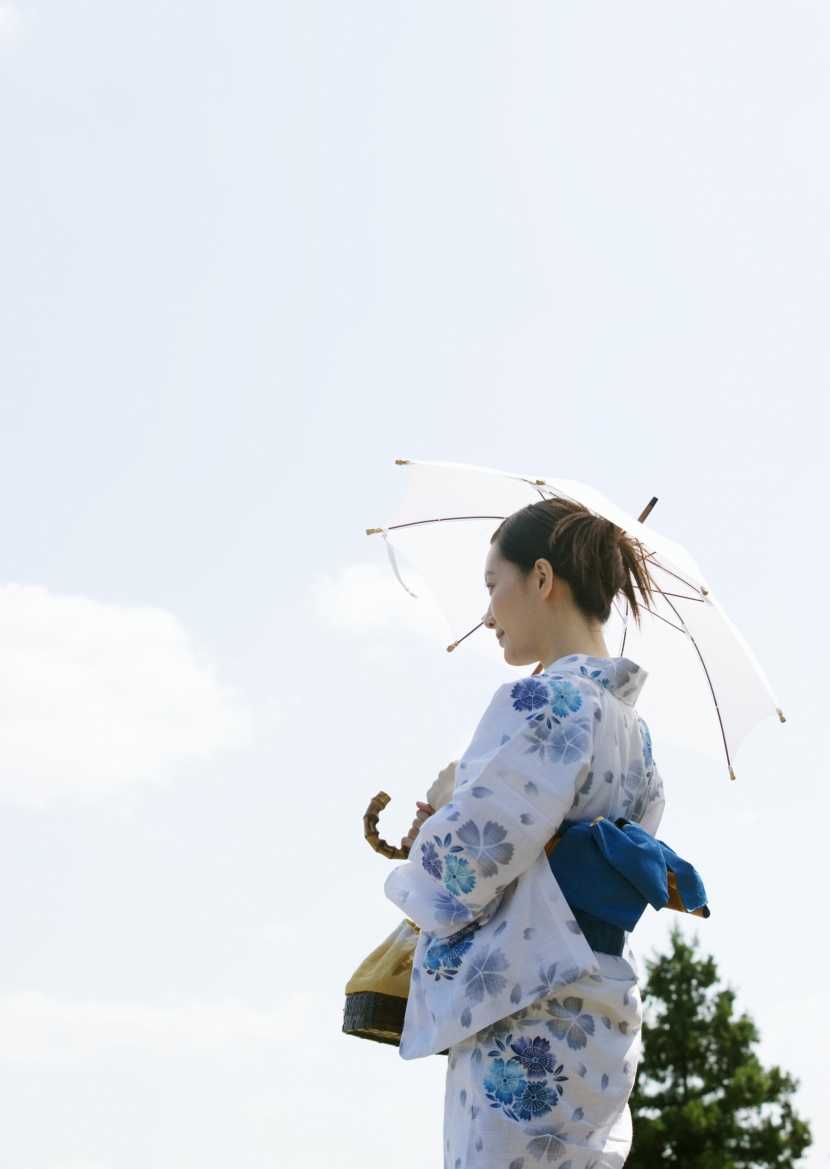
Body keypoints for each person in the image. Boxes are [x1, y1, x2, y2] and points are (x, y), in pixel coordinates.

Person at [384, 497, 664, 1169]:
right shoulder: (636, 734)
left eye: (492, 585)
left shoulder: (538, 699)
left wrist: (444, 809)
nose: (486, 613)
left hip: (526, 1007)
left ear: (542, 578)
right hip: (599, 1004)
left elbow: (462, 868)